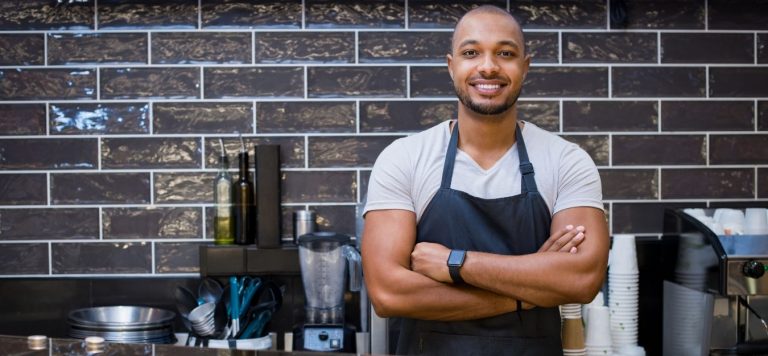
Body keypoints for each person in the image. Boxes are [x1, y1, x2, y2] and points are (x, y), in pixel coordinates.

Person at [361, 5, 609, 356]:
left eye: (505, 53)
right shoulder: (405, 158)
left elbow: (581, 280)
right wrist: (527, 294)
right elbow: (388, 294)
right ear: (452, 66)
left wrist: (455, 263)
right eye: (471, 52)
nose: (488, 66)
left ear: (525, 66)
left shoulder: (566, 161)